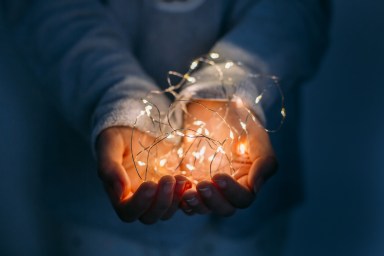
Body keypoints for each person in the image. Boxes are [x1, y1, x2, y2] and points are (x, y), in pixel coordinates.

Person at [1, 0, 330, 255]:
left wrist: (227, 92)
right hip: (96, 219)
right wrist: (115, 98)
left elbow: (298, 10)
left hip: (249, 227)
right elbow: (48, 10)